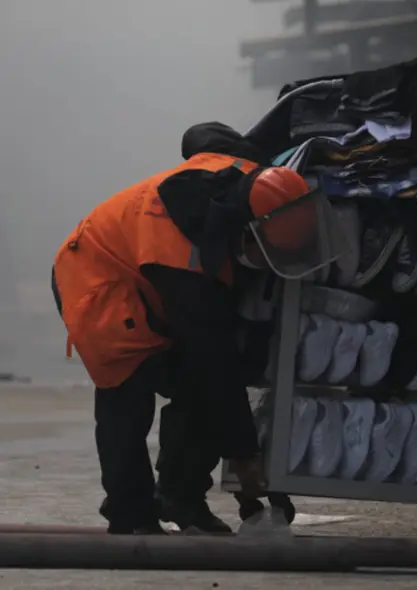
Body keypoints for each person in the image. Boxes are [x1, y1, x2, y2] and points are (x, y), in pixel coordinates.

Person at [51, 122, 330, 534]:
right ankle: (130, 515)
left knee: (200, 387)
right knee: (128, 395)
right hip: (95, 274)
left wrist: (246, 456)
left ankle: (180, 497)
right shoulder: (184, 258)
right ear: (245, 231)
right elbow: (212, 359)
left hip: (148, 277)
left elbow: (208, 133)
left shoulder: (252, 183)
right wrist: (245, 457)